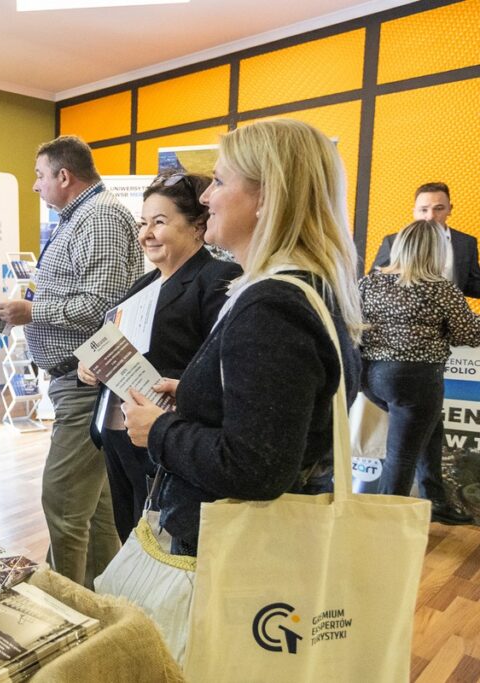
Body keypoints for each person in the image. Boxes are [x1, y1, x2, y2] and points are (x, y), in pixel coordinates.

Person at [122, 119, 362, 557]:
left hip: (239, 552)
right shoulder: (301, 288)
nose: (206, 197)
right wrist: (197, 392)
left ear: (266, 197)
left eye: (218, 180)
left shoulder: (273, 306)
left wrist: (159, 431)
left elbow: (255, 467)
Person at [0, 135, 142, 587]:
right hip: (79, 383)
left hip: (87, 383)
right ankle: (101, 607)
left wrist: (33, 311)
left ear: (64, 176)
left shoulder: (97, 217)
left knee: (61, 505)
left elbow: (104, 302)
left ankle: (65, 610)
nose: (35, 186)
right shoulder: (81, 217)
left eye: (40, 176)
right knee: (94, 513)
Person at [78, 172, 242, 542]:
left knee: (161, 545)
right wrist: (90, 366)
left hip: (167, 439)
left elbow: (216, 365)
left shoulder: (217, 278)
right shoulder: (144, 284)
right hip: (117, 432)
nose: (146, 233)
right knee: (129, 539)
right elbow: (116, 345)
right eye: (143, 223)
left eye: (160, 222)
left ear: (198, 227)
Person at [360, 220, 479, 525]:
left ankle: (436, 500)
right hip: (415, 381)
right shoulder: (440, 289)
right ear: (437, 251)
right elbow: (469, 334)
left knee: (429, 429)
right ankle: (382, 526)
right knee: (401, 456)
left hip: (372, 377)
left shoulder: (368, 283)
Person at [371, 182, 480, 298]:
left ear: (450, 209)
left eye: (438, 208)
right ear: (414, 212)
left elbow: (472, 283)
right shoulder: (393, 241)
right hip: (405, 313)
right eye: (423, 210)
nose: (431, 216)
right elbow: (375, 282)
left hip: (450, 313)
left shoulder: (467, 242)